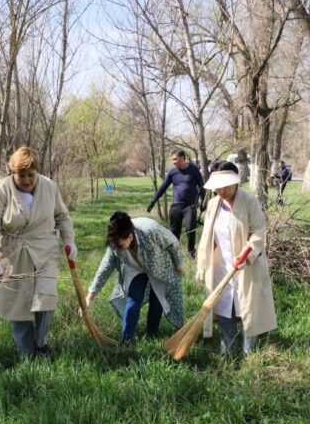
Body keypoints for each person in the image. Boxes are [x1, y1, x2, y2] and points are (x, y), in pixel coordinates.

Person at [0, 146, 77, 360]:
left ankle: (41, 344)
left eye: (30, 175)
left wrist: (69, 241)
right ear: (12, 173)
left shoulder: (49, 187)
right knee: (20, 304)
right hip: (15, 254)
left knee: (46, 299)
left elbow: (62, 216)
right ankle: (26, 352)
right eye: (21, 175)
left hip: (45, 251)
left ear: (37, 171)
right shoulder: (0, 190)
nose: (26, 180)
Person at [195, 162, 277, 354]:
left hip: (248, 266)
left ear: (236, 183)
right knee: (225, 307)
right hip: (223, 266)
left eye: (226, 186)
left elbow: (259, 231)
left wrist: (247, 251)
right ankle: (228, 349)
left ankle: (250, 352)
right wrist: (202, 265)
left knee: (248, 308)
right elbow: (206, 237)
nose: (221, 191)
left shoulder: (249, 201)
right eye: (218, 187)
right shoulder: (213, 204)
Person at [86, 211, 184, 345]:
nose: (118, 249)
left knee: (157, 301)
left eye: (121, 245)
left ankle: (151, 335)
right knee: (133, 300)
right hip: (134, 268)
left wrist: (178, 263)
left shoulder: (150, 230)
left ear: (130, 237)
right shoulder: (115, 244)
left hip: (159, 265)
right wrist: (89, 297)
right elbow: (104, 269)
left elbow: (172, 242)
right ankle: (127, 340)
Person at [147, 149, 205, 258]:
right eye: (172, 160)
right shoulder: (172, 172)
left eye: (175, 159)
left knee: (190, 228)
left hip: (190, 206)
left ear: (183, 158)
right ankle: (175, 253)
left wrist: (204, 202)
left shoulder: (194, 170)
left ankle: (191, 251)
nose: (173, 162)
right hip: (176, 206)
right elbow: (162, 188)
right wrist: (153, 201)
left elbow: (202, 186)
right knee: (174, 231)